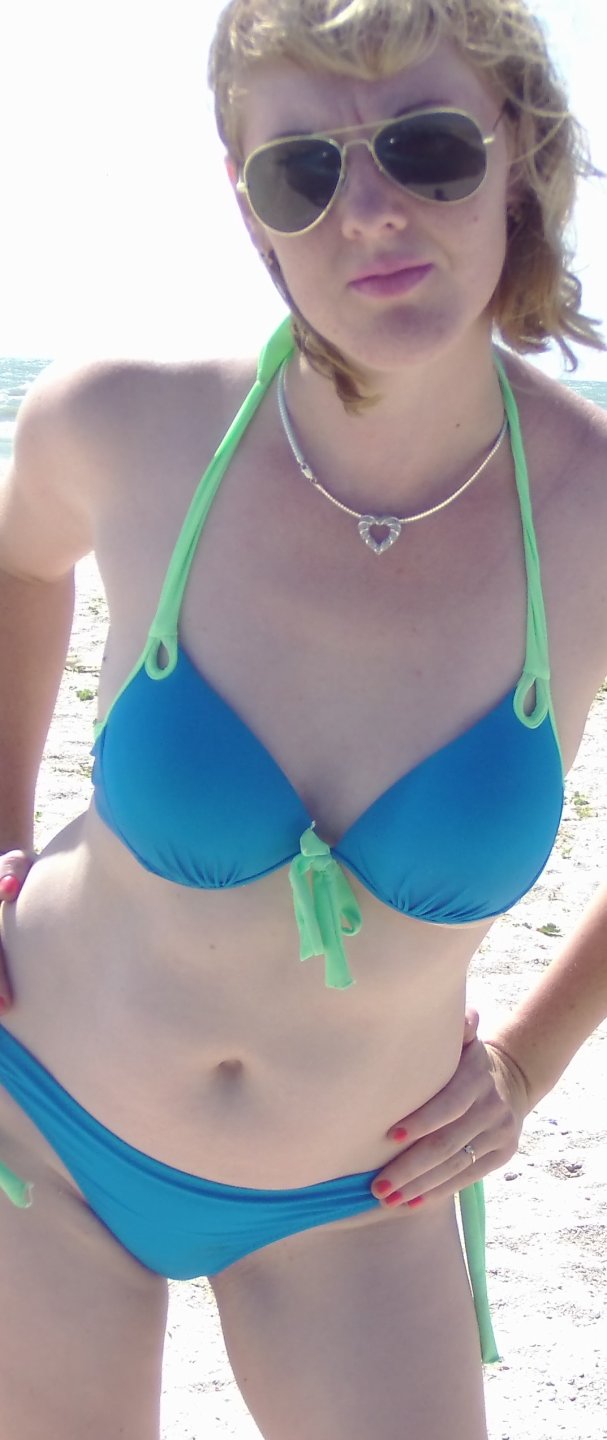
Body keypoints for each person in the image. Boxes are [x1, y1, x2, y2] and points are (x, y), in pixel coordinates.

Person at [1, 1, 606, 1436]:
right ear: (247, 202)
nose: (371, 211)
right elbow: (20, 566)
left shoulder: (593, 510)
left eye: (428, 147)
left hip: (362, 1195)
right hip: (43, 1129)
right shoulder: (123, 424)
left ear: (519, 150)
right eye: (304, 171)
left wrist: (534, 1056)